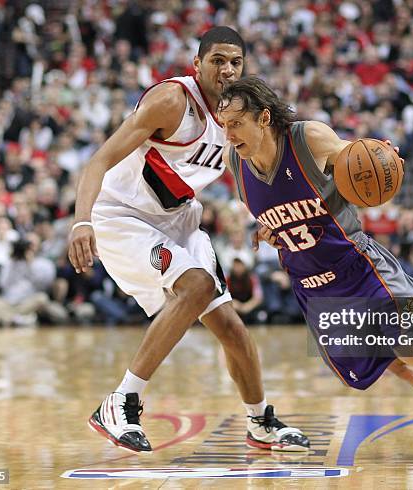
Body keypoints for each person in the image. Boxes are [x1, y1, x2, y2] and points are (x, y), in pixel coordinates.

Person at [217, 76, 413, 459]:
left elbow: (357, 156)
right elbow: (282, 214)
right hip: (315, 289)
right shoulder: (236, 163)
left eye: (235, 124)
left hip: (358, 268)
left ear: (263, 118)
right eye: (223, 125)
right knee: (404, 369)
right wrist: (272, 232)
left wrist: (382, 158)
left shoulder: (306, 139)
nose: (228, 134)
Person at [68, 27, 309, 453]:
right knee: (195, 284)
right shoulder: (172, 101)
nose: (227, 69)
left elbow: (249, 176)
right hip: (122, 216)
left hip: (178, 219)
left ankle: (260, 422)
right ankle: (121, 401)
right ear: (197, 64)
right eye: (218, 60)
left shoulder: (239, 115)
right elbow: (100, 159)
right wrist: (80, 222)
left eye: (235, 61)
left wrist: (267, 218)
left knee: (232, 329)